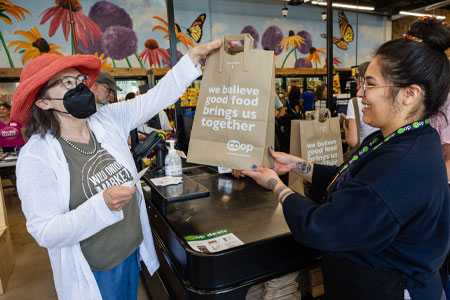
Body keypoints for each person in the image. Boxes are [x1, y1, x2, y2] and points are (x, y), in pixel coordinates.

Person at [243, 18, 450, 299]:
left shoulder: (403, 164)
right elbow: (351, 181)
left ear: (409, 95)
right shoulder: (398, 138)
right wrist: (297, 165)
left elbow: (324, 227)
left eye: (371, 85)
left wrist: (276, 186)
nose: (360, 94)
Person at [12, 39, 222, 299]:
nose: (79, 87)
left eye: (79, 79)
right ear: (43, 102)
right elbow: (45, 231)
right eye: (67, 83)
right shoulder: (37, 155)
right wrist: (102, 205)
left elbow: (157, 97)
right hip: (97, 269)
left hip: (131, 252)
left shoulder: (107, 120)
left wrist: (193, 56)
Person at [344, 62, 378, 148]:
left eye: (370, 84)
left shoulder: (354, 102)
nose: (359, 94)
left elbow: (353, 141)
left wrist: (347, 132)